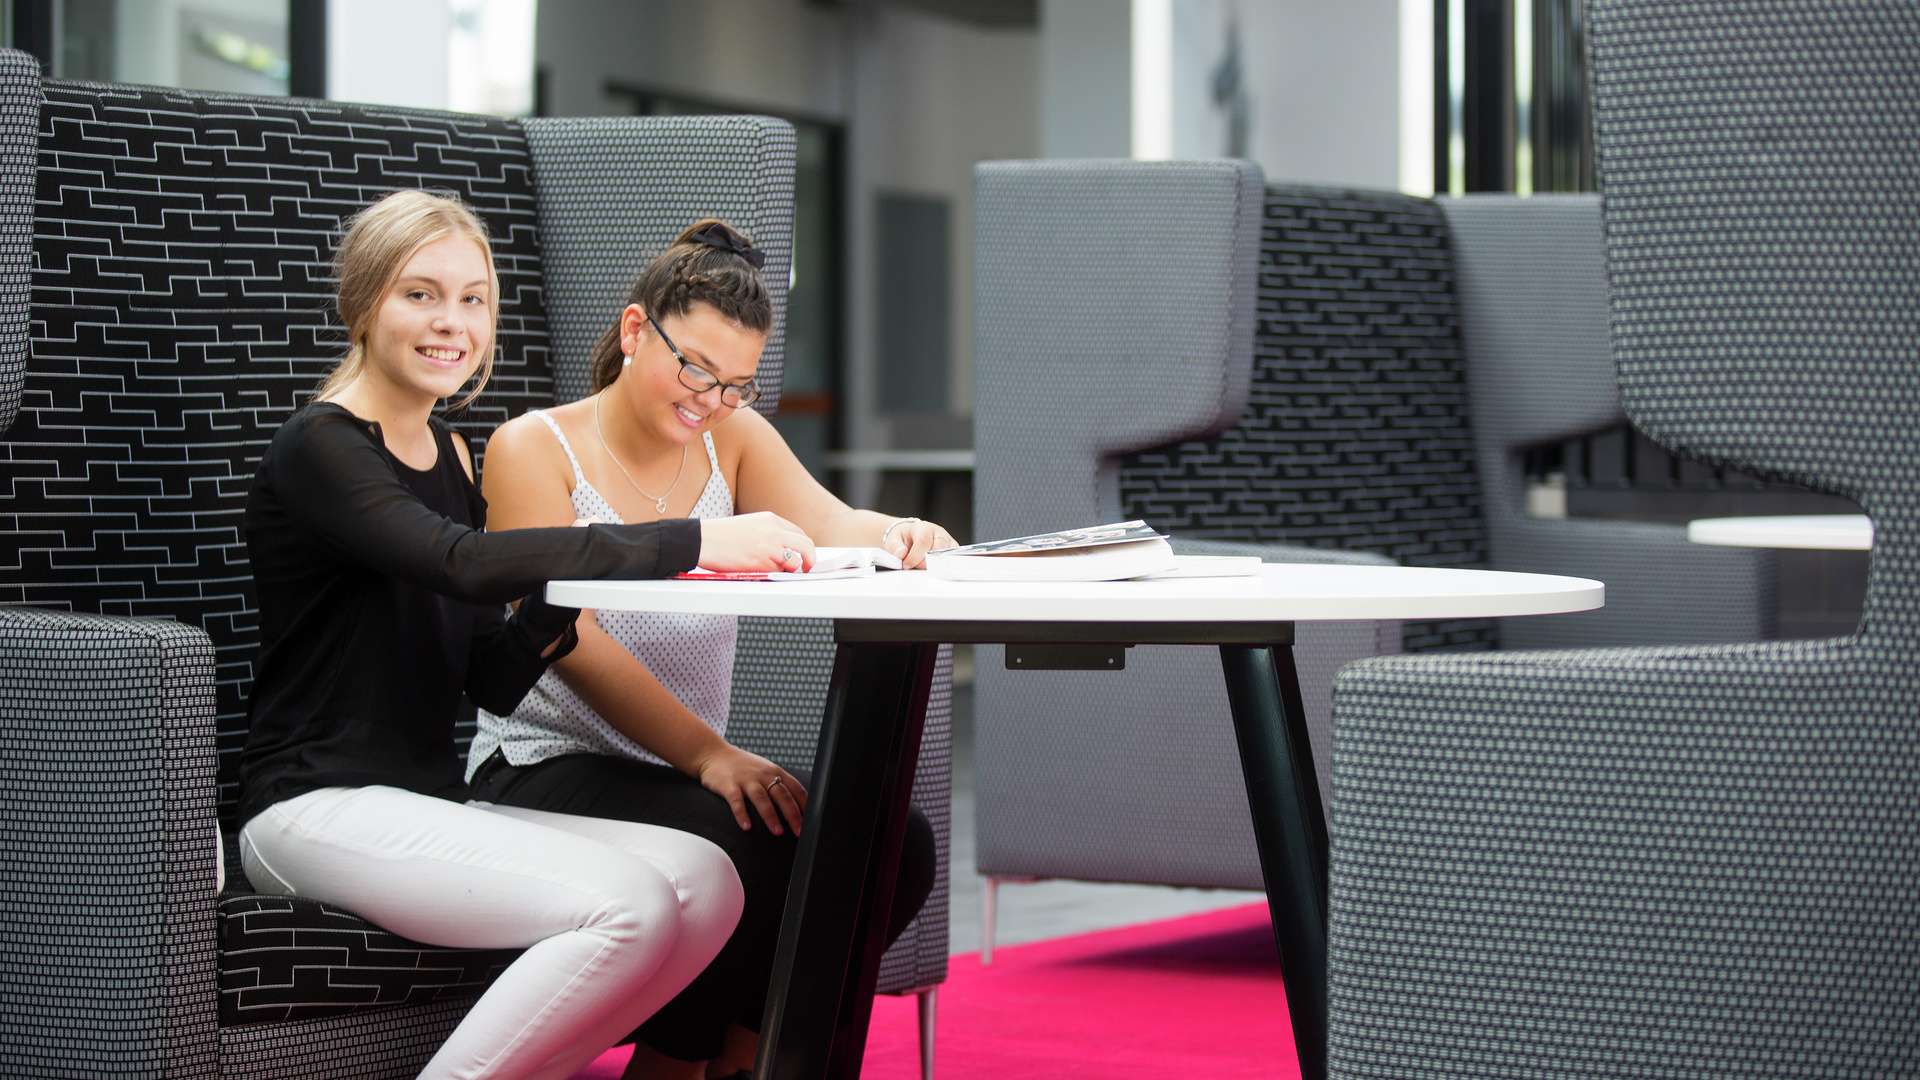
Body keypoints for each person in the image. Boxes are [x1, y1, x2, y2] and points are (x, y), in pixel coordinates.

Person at [236, 190, 821, 1080]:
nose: (451, 322)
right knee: (631, 903)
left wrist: (559, 606)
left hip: (423, 805)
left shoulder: (451, 455)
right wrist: (692, 540)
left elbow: (494, 676)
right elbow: (461, 563)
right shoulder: (322, 447)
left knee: (707, 884)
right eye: (420, 294)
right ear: (363, 303)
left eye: (473, 299)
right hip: (310, 809)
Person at [466, 219, 956, 1080]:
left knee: (891, 839)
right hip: (540, 760)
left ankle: (747, 1059)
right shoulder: (530, 448)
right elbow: (563, 641)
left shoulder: (731, 436)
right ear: (631, 330)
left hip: (675, 773)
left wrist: (906, 530)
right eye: (694, 368)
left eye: (735, 383)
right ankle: (671, 1066)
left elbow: (833, 523)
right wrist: (707, 755)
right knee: (751, 843)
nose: (709, 399)